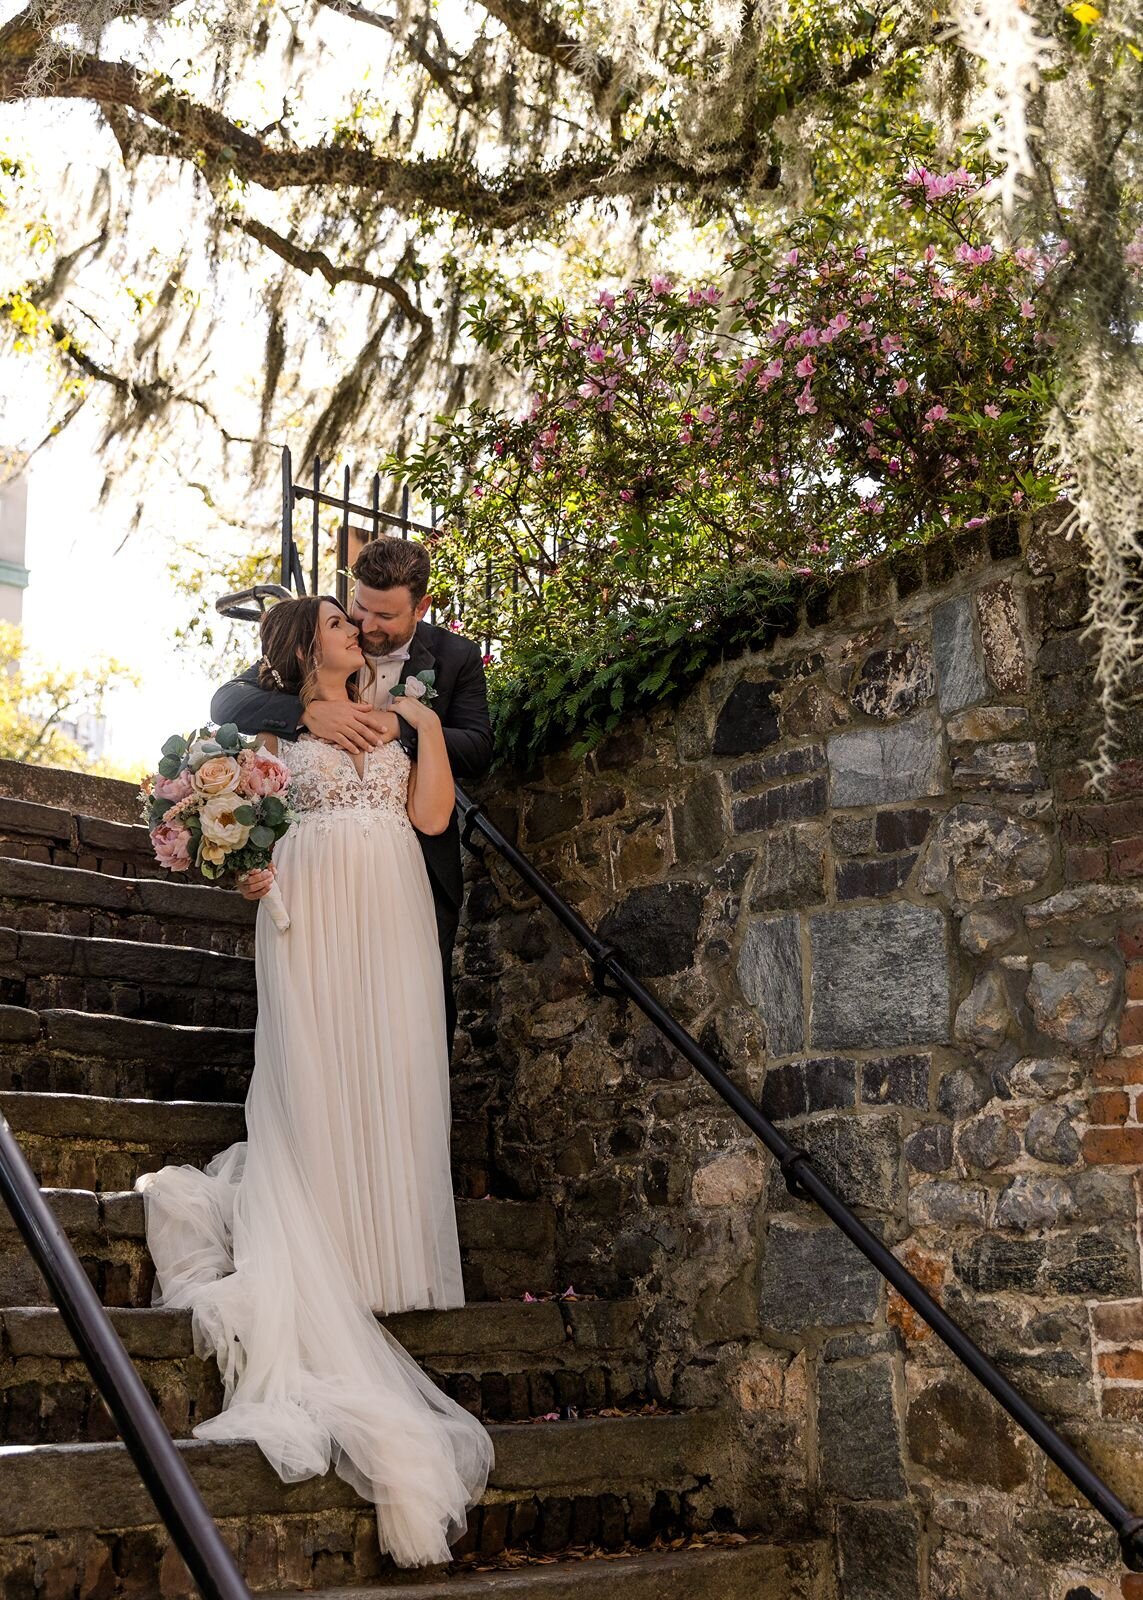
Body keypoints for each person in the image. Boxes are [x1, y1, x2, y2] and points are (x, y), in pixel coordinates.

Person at [136, 595, 493, 1567]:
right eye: (341, 623)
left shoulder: (401, 708)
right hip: (313, 906)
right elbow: (226, 784)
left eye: (358, 623)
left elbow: (428, 815)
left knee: (396, 1069)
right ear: (306, 647)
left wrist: (421, 727)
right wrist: (244, 860)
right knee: (323, 1070)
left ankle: (388, 1255)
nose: (357, 633)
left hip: (392, 905)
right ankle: (328, 1242)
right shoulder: (265, 716)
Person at [211, 536, 493, 1056]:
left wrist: (401, 725)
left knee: (412, 1015)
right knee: (326, 1010)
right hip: (319, 871)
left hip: (412, 864)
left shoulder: (454, 657)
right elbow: (227, 699)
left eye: (384, 615)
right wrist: (303, 715)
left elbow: (477, 747)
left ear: (421, 607)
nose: (366, 624)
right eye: (359, 605)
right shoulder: (324, 636)